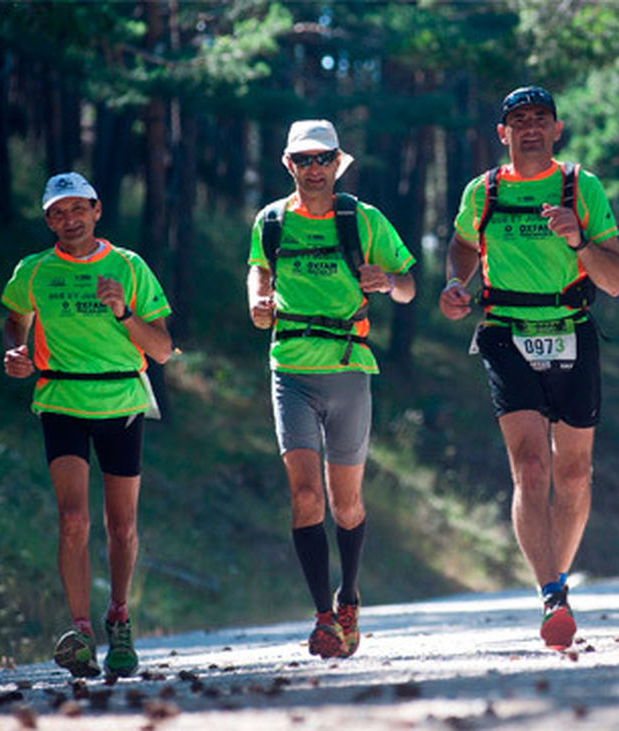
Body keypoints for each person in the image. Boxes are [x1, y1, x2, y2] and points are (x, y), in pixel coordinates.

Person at [440, 86, 619, 650]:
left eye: (540, 119)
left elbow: (615, 278)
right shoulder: (485, 190)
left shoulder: (580, 187)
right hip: (506, 332)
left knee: (572, 474)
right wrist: (455, 283)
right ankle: (551, 593)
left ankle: (558, 579)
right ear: (503, 134)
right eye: (517, 120)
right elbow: (462, 246)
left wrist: (578, 242)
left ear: (556, 129)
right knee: (529, 467)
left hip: (572, 327)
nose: (529, 129)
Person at [247, 119, 415, 660]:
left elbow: (410, 287)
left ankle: (349, 595)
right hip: (290, 368)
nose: (314, 168)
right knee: (304, 495)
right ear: (288, 165)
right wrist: (258, 299)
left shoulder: (362, 220)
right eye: (304, 160)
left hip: (348, 369)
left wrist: (386, 282)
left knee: (346, 503)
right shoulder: (271, 221)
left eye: (324, 159)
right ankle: (323, 617)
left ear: (338, 163)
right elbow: (258, 270)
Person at [1, 172, 173, 678]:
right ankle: (81, 630)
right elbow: (16, 317)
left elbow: (162, 348)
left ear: (97, 210)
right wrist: (15, 349)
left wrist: (123, 313)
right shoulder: (33, 270)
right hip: (60, 398)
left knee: (121, 526)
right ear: (48, 220)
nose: (69, 220)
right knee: (72, 519)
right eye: (57, 212)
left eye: (78, 208)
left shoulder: (129, 267)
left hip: (121, 400)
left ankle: (118, 616)